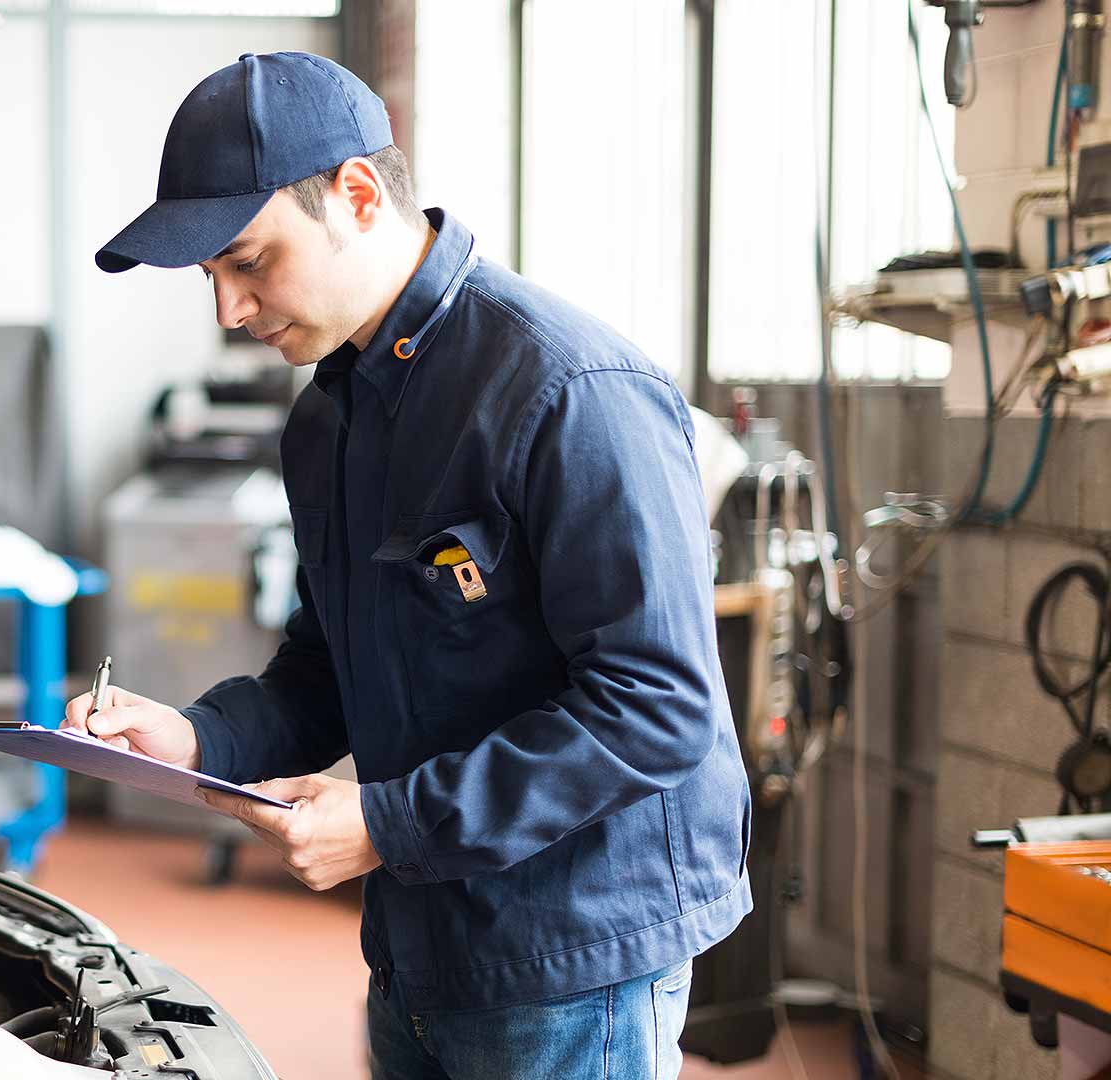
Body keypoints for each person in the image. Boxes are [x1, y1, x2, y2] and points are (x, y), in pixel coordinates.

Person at [65, 52, 752, 1080]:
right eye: (213, 279)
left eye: (250, 262)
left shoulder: (568, 390)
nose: (230, 313)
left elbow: (657, 702)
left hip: (571, 952)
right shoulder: (326, 424)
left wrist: (387, 824)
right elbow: (326, 669)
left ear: (355, 194)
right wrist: (194, 736)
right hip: (420, 938)